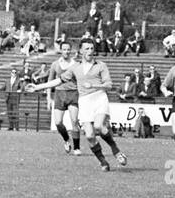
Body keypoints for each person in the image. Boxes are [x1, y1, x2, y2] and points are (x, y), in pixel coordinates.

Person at [28, 37, 127, 170]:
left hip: (99, 98)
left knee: (99, 126)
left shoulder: (101, 65)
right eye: (87, 48)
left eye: (92, 48)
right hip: (85, 101)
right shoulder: (76, 67)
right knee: (90, 136)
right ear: (80, 50)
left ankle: (116, 151)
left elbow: (109, 85)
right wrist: (37, 87)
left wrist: (93, 85)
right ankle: (103, 162)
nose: (90, 51)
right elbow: (58, 81)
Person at [46, 39, 82, 155]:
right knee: (58, 122)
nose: (66, 52)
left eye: (68, 50)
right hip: (59, 94)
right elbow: (49, 81)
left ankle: (76, 148)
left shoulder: (76, 65)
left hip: (73, 93)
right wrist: (48, 98)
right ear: (61, 50)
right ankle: (66, 140)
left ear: (71, 50)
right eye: (64, 50)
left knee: (74, 121)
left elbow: (81, 80)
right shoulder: (55, 64)